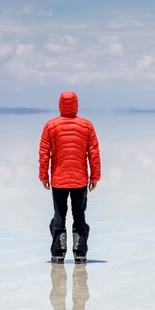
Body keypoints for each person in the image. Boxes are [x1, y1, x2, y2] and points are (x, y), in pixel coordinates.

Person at [38, 91, 101, 263]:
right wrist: (95, 176)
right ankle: (80, 254)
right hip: (80, 180)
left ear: (60, 104)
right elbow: (93, 153)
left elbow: (44, 153)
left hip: (58, 180)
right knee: (79, 215)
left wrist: (43, 175)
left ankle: (58, 253)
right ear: (76, 105)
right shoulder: (86, 125)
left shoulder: (50, 125)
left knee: (60, 216)